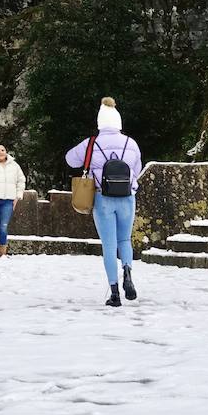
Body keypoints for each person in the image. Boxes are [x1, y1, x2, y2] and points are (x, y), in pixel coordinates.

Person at [66, 97, 143, 307]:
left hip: (103, 198)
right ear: (118, 122)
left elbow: (70, 159)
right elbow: (136, 170)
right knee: (125, 240)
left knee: (109, 245)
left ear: (100, 122)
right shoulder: (131, 143)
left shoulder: (91, 143)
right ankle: (127, 272)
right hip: (127, 197)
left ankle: (115, 292)